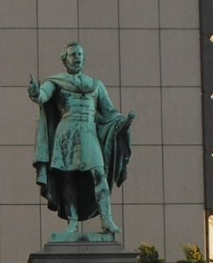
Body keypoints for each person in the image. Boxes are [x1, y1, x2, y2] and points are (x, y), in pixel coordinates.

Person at [29, 42, 135, 235]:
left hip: (88, 132)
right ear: (65, 60)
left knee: (99, 174)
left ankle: (107, 219)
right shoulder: (55, 81)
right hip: (66, 132)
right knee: (68, 177)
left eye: (79, 55)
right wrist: (36, 93)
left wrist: (122, 123)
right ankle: (72, 221)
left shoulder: (96, 85)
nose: (76, 58)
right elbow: (43, 96)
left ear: (84, 59)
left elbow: (110, 112)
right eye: (72, 55)